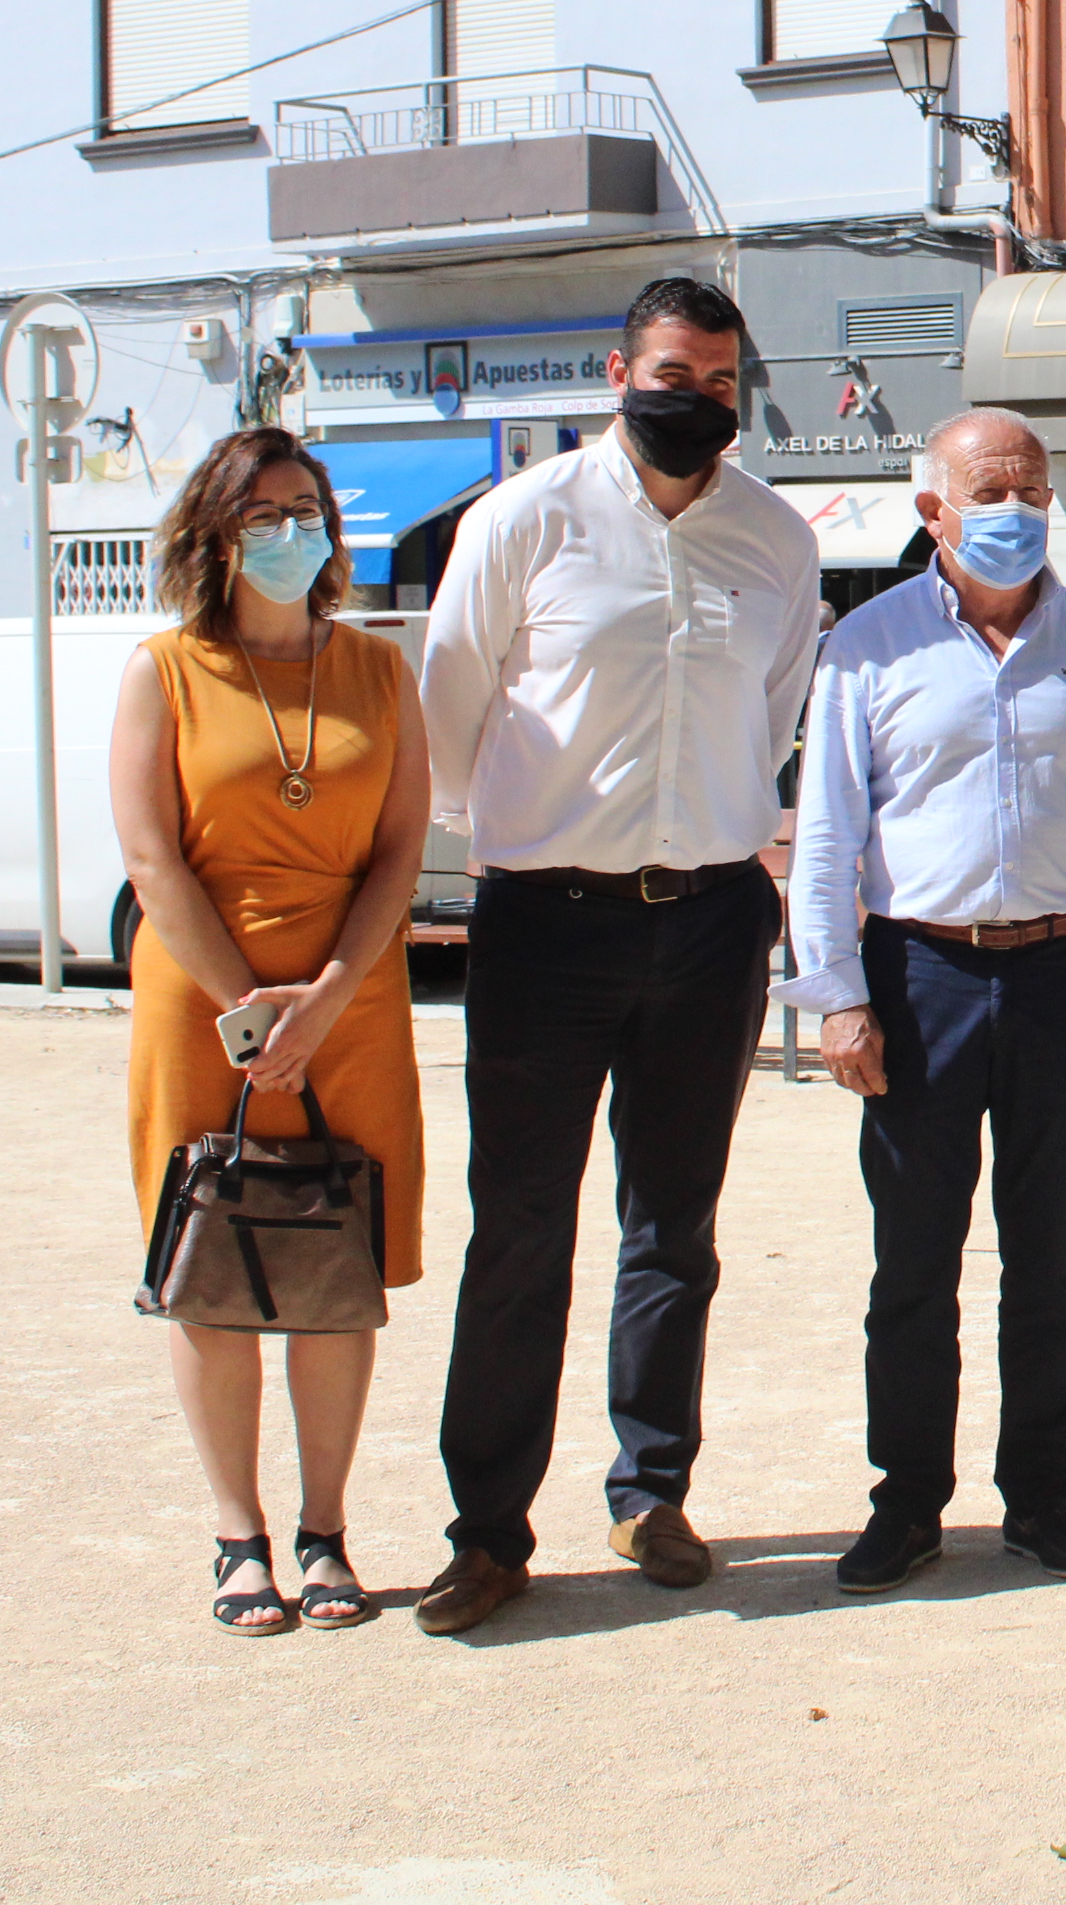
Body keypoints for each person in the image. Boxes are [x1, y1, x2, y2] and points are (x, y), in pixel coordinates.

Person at [412, 276, 823, 1636]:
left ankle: (652, 1488)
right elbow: (451, 714)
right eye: (670, 371)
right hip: (547, 924)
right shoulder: (522, 522)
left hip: (706, 922)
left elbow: (772, 720)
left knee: (675, 1231)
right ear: (615, 370)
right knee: (521, 1230)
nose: (693, 399)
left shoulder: (775, 538)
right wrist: (536, 835)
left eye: (717, 381)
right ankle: (489, 1531)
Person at [783, 411, 1066, 1594]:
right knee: (913, 1260)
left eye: (1033, 489)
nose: (1016, 510)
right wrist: (838, 996)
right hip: (923, 980)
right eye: (990, 491)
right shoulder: (867, 645)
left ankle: (1044, 1503)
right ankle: (907, 1501)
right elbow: (827, 835)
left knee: (1047, 1256)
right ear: (934, 512)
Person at [111, 430, 434, 1634]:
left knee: (337, 1272)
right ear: (214, 534)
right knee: (212, 1261)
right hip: (207, 1004)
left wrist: (333, 992)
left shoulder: (376, 672)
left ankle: (326, 1528)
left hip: (352, 1000)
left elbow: (402, 848)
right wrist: (248, 1009)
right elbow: (150, 853)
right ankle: (238, 1537)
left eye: (307, 509)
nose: (291, 531)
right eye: (264, 513)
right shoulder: (166, 670)